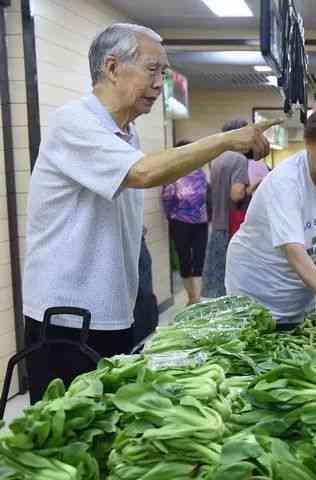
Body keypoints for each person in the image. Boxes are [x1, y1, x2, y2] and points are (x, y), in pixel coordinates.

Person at [21, 23, 279, 403]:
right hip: (68, 319)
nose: (160, 84)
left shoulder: (126, 132)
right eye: (153, 70)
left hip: (112, 313)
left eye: (164, 72)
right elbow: (144, 172)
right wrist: (226, 140)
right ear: (111, 68)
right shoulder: (73, 122)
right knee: (65, 440)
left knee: (110, 429)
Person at [225, 104, 316, 328]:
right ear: (308, 143)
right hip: (258, 289)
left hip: (299, 287)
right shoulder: (286, 182)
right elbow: (293, 250)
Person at [201, 119, 251, 299]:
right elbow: (236, 194)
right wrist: (252, 189)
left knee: (216, 277)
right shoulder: (239, 159)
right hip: (233, 227)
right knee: (231, 279)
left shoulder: (216, 159)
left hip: (217, 224)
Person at [161, 140, 209, 305]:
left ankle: (198, 297)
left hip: (201, 222)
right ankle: (191, 297)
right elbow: (167, 198)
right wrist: (171, 216)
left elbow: (206, 195)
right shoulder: (172, 173)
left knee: (199, 258)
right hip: (179, 221)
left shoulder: (200, 172)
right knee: (184, 259)